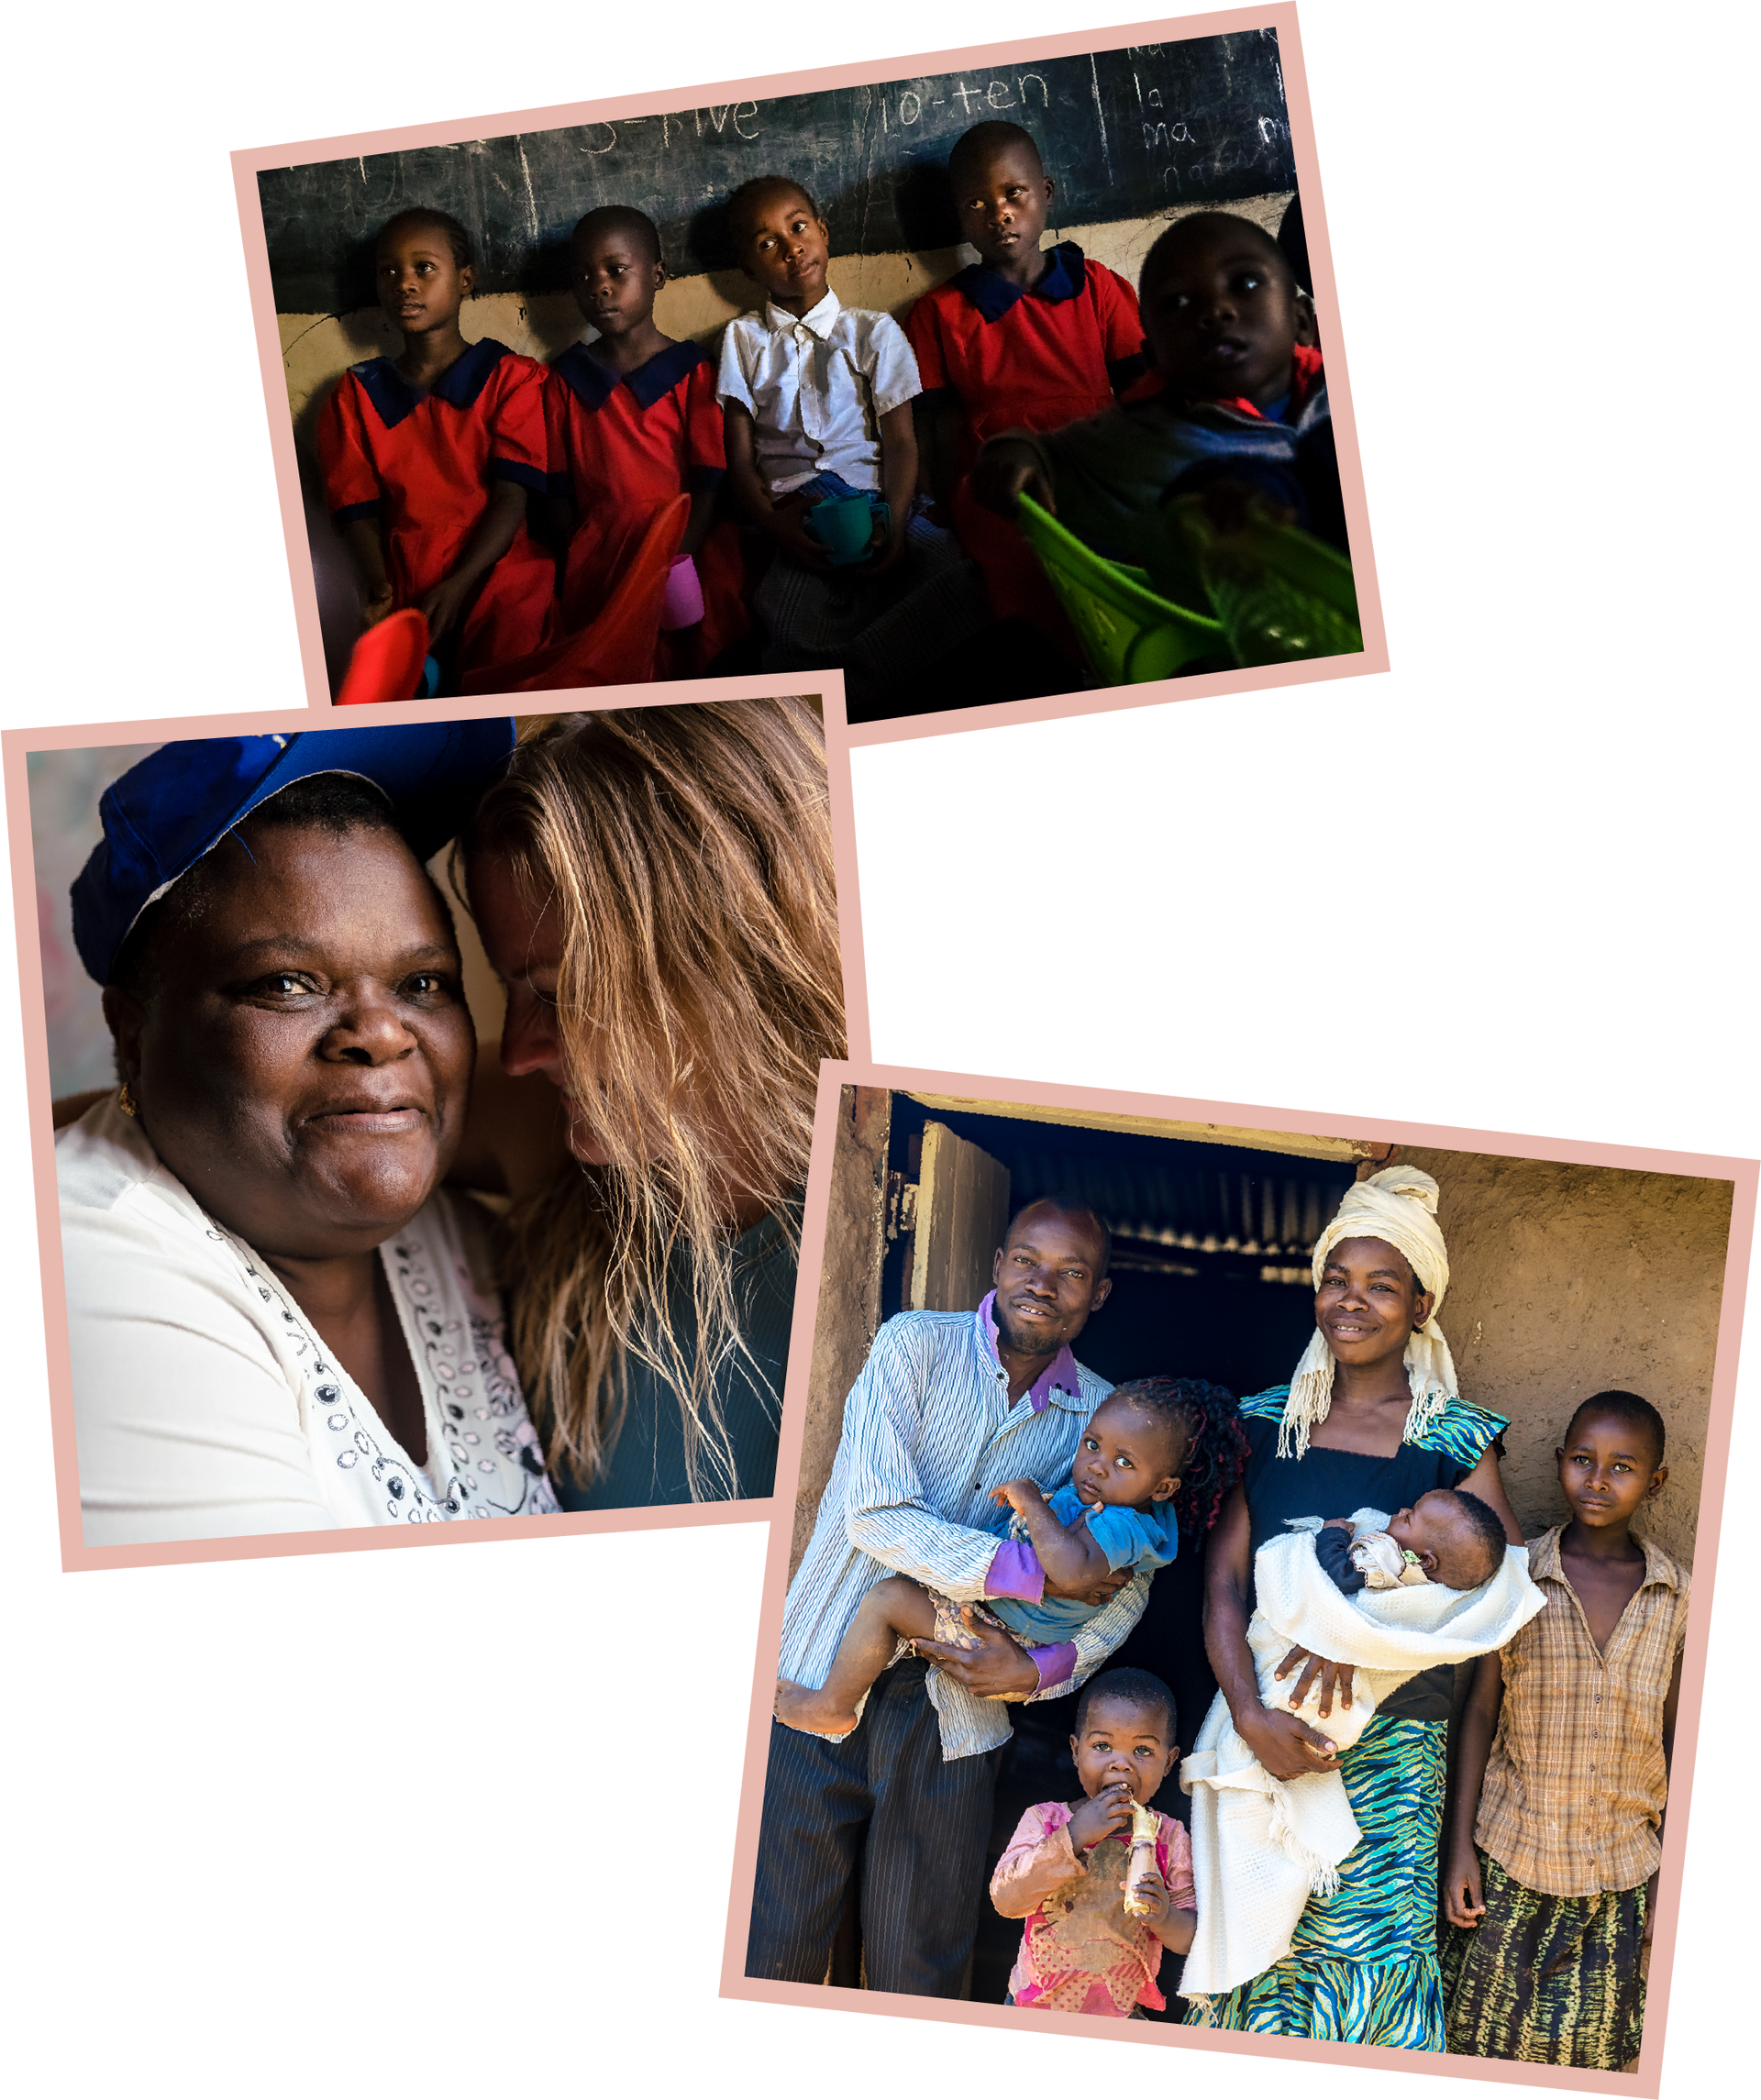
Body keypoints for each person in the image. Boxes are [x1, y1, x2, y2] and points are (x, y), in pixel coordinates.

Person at [58, 723, 560, 1546]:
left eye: (422, 982)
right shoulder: (94, 1271)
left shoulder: (443, 1226)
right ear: (134, 1035)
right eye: (289, 983)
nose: (383, 1033)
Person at [747, 1197, 1150, 1998]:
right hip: (821, 1671)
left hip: (957, 1719)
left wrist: (1039, 1671)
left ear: (1098, 1295)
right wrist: (1030, 1571)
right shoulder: (914, 1347)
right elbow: (875, 1512)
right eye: (1028, 1262)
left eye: (1072, 1274)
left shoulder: (1104, 1419)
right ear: (998, 1265)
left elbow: (1127, 1590)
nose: (1044, 1284)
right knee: (772, 1946)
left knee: (918, 1969)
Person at [449, 702, 844, 1509]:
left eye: (560, 995)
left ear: (731, 964)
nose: (520, 1052)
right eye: (507, 988)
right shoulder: (548, 1135)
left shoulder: (889, 1220)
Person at [1188, 1164, 1523, 2050]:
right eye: (1337, 1280)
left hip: (1400, 1758)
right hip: (1264, 1730)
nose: (1351, 1301)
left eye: (1381, 1286)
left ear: (1421, 1306)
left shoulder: (1457, 1437)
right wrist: (1253, 1715)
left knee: (1372, 1966)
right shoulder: (1262, 1423)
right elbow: (1222, 1583)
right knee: (1261, 1947)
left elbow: (1490, 1618)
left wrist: (1459, 1833)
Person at [1180, 1493, 1542, 2011]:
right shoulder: (1420, 1571)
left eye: (1410, 1518)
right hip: (1298, 1706)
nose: (1396, 1515)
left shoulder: (1384, 1563)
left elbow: (1333, 1582)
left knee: (1252, 1823)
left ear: (1428, 1562)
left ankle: (1249, 1933)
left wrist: (1330, 1535)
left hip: (1305, 1701)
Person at [1441, 1392, 1689, 2069]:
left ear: (1655, 1482)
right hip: (1510, 1859)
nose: (1598, 1480)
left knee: (1598, 2053)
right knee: (1479, 2041)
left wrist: (1669, 1879)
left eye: (1622, 1467)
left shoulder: (1677, 1597)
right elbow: (1481, 1714)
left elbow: (1676, 1744)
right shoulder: (1519, 1578)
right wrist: (1459, 1848)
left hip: (1621, 1876)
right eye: (1583, 1460)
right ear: (1559, 1464)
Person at [774, 1378, 1191, 1738]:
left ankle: (830, 1706)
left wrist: (1031, 1499)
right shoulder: (1101, 1501)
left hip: (1008, 1643)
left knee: (889, 1600)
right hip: (998, 1621)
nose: (1097, 1467)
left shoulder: (1125, 1525)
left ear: (1163, 1488)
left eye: (1124, 1462)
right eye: (1092, 1445)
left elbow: (1068, 1571)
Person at [715, 177, 989, 707]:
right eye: (767, 242)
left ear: (823, 231)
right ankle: (867, 682)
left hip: (882, 502)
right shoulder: (742, 340)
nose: (791, 246)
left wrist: (896, 519)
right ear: (748, 269)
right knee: (790, 625)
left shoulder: (872, 331)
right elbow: (740, 460)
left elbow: (903, 442)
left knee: (962, 582)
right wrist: (775, 526)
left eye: (798, 227)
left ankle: (854, 677)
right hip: (799, 512)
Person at [970, 210, 1343, 577]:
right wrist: (1016, 452)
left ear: (1302, 322)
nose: (1215, 311)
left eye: (1244, 283)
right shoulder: (1138, 433)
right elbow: (1051, 459)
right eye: (1177, 302)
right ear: (1153, 357)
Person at [905, 122, 1145, 646]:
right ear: (958, 217)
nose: (999, 213)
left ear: (1047, 194)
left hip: (1097, 468)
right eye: (975, 204)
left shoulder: (1097, 285)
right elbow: (940, 432)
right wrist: (943, 506)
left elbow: (1141, 394)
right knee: (1022, 576)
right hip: (1001, 489)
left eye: (1013, 193)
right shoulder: (940, 314)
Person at [316, 208, 556, 688]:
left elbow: (513, 496)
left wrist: (460, 583)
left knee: (511, 667)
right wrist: (381, 587)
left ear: (465, 279)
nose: (404, 284)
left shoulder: (511, 378)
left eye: (424, 268)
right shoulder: (356, 393)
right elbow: (356, 507)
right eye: (389, 271)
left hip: (496, 568)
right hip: (401, 575)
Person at [544, 207, 748, 679]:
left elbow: (710, 482)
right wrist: (577, 556)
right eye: (583, 276)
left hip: (682, 541)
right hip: (602, 553)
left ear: (658, 275)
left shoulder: (692, 370)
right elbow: (556, 491)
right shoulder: (564, 380)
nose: (600, 287)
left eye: (617, 271)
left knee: (691, 659)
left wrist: (679, 556)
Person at [991, 1668, 1196, 2017]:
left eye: (1143, 1750)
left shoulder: (1169, 1837)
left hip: (1122, 2012)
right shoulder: (1045, 1820)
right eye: (1102, 1746)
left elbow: (1191, 1938)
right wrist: (1075, 1836)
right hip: (1032, 2007)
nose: (1122, 1764)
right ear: (1075, 1751)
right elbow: (1006, 1900)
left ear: (1169, 1762)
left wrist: (1163, 1917)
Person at [1312, 1491, 1512, 1594]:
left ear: (1424, 1560)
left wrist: (1333, 1534)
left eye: (1409, 1518)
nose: (1402, 1510)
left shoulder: (1390, 1562)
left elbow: (1338, 1577)